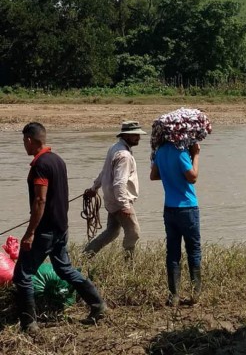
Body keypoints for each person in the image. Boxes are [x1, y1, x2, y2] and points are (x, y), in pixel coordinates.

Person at [13, 122, 106, 335]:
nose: (24, 146)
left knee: (23, 275)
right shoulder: (57, 160)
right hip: (60, 228)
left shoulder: (40, 165)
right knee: (64, 269)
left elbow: (40, 200)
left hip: (45, 230)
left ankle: (29, 325)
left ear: (29, 140)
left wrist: (30, 233)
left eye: (23, 141)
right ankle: (98, 304)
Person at [84, 121, 146, 258]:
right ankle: (129, 263)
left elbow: (105, 172)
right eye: (135, 135)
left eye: (138, 135)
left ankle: (86, 255)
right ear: (125, 135)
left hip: (112, 199)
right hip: (120, 201)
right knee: (134, 233)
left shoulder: (115, 148)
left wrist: (94, 187)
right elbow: (119, 183)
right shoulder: (124, 155)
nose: (138, 138)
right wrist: (124, 206)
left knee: (112, 232)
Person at [150, 141, 202, 306]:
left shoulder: (160, 152)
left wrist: (170, 172)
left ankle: (174, 297)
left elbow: (154, 175)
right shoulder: (180, 152)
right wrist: (196, 154)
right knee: (193, 250)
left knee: (172, 253)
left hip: (169, 209)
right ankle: (195, 296)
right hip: (187, 207)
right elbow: (192, 177)